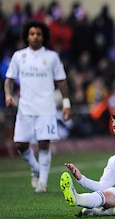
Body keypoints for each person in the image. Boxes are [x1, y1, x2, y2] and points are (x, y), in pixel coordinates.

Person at [4, 20, 71, 193]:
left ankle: (42, 183)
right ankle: (35, 168)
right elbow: (9, 79)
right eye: (32, 33)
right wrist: (8, 95)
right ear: (27, 36)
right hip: (25, 107)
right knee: (20, 144)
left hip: (46, 107)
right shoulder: (19, 56)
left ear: (43, 37)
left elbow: (62, 82)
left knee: (43, 144)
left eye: (38, 34)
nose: (35, 37)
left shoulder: (51, 57)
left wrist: (66, 104)